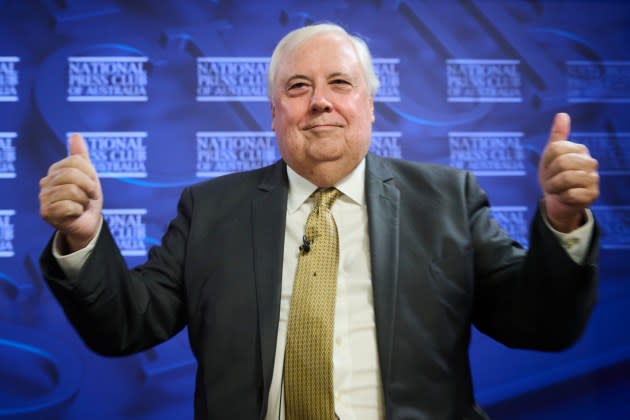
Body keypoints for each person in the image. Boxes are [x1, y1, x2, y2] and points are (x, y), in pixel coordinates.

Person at [39, 23, 600, 420]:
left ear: (371, 107)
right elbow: (126, 325)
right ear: (275, 113)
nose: (320, 102)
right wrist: (84, 238)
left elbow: (543, 324)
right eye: (298, 87)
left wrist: (562, 221)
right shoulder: (210, 211)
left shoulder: (447, 201)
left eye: (340, 83)